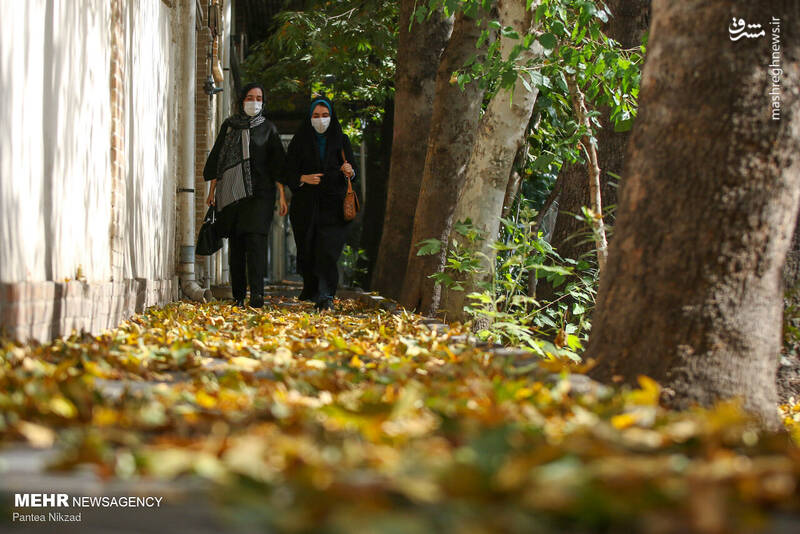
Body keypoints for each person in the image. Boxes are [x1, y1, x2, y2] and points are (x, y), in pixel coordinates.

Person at [203, 82, 288, 308]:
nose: (254, 102)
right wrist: (212, 192)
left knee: (257, 243)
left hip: (261, 195)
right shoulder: (230, 126)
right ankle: (239, 296)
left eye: (258, 98)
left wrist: (281, 196)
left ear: (263, 102)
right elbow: (217, 160)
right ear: (242, 101)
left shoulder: (268, 128)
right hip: (232, 194)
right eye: (250, 98)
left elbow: (278, 164)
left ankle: (257, 295)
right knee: (238, 246)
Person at [285, 95, 358, 311]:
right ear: (310, 118)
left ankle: (326, 295)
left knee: (327, 251)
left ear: (331, 116)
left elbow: (354, 171)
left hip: (334, 206)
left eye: (325, 115)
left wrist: (349, 171)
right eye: (316, 115)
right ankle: (312, 288)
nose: (320, 119)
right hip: (306, 207)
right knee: (308, 249)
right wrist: (303, 178)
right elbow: (288, 170)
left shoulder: (341, 139)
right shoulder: (300, 141)